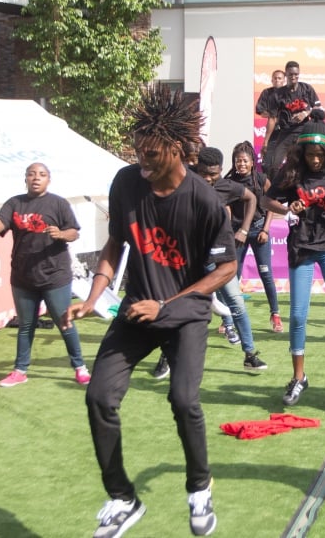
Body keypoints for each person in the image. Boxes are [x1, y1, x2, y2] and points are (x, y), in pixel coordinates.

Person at [67, 87, 234, 538]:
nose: (142, 159)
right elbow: (116, 244)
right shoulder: (125, 183)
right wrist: (93, 295)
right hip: (137, 311)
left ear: (177, 149)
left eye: (152, 153)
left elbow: (226, 269)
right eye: (138, 149)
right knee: (99, 397)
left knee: (183, 400)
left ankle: (199, 488)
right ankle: (122, 498)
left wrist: (167, 303)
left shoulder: (204, 200)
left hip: (185, 315)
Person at [261, 121, 325, 406]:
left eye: (320, 154)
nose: (315, 159)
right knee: (297, 316)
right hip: (302, 247)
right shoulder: (292, 173)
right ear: (302, 152)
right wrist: (286, 208)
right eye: (310, 154)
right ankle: (299, 378)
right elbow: (266, 200)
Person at [0, 163, 88, 388]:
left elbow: (74, 232)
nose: (36, 178)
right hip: (23, 277)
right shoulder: (14, 203)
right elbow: (1, 221)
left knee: (64, 323)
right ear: (25, 179)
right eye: (31, 174)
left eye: (41, 175)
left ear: (49, 179)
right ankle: (20, 371)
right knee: (26, 325)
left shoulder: (58, 203)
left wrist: (60, 234)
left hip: (55, 276)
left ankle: (80, 367)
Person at [195, 147, 269, 371]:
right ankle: (167, 358)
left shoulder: (225, 186)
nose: (208, 178)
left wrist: (245, 229)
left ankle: (250, 354)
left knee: (236, 304)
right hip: (194, 261)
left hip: (221, 259)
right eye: (204, 173)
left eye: (214, 174)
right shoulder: (187, 182)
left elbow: (252, 198)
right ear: (197, 168)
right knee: (183, 307)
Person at [226, 141, 283, 332]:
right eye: (237, 161)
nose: (241, 164)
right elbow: (225, 207)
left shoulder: (261, 179)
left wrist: (265, 230)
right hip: (237, 233)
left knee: (266, 274)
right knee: (233, 275)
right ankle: (229, 318)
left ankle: (275, 314)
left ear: (252, 162)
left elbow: (270, 205)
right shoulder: (229, 181)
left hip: (259, 231)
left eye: (244, 161)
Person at [262, 61, 321, 174]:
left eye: (296, 74)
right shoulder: (277, 94)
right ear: (286, 74)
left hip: (304, 131)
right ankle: (276, 190)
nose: (293, 77)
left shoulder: (307, 89)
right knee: (274, 166)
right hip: (286, 132)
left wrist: (306, 113)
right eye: (290, 74)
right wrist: (266, 142)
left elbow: (319, 109)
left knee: (304, 164)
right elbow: (272, 119)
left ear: (299, 73)